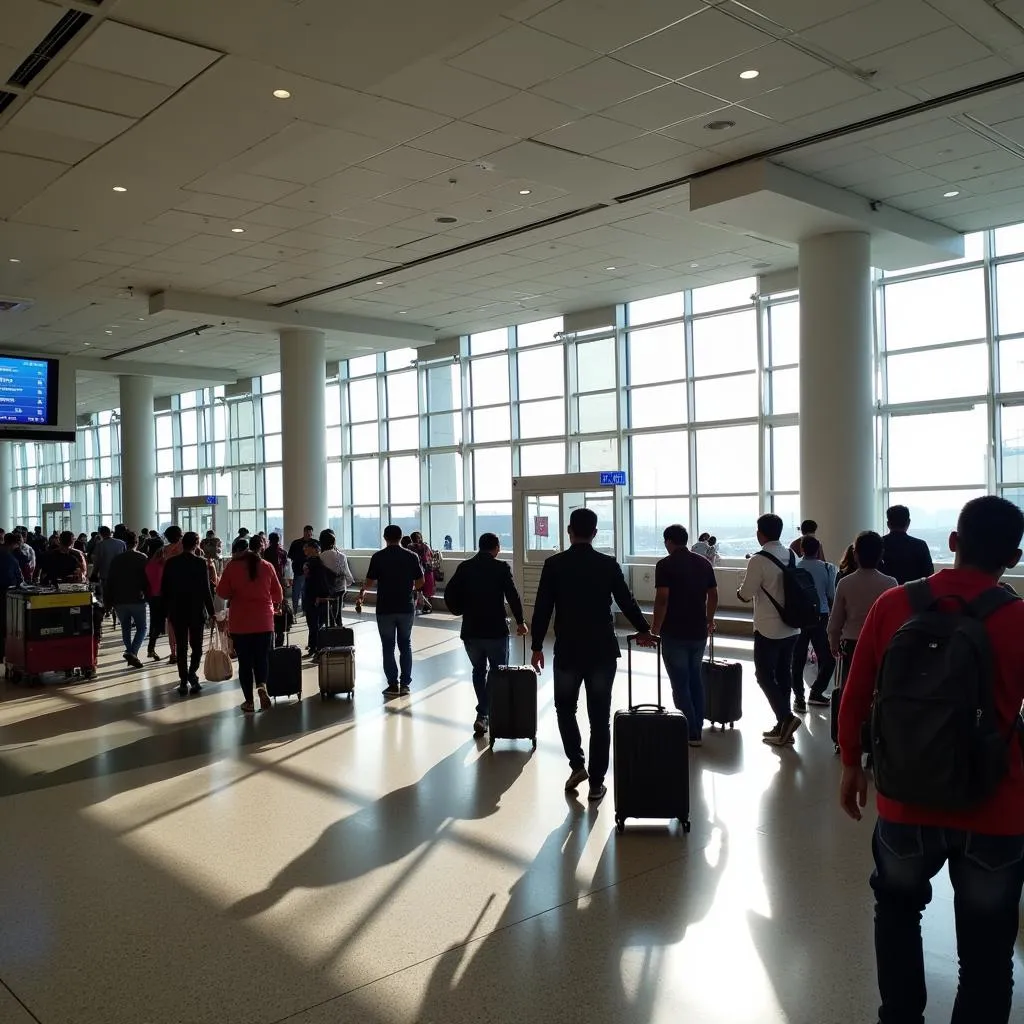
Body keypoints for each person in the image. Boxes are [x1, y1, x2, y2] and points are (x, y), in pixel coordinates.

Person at [839, 496, 1024, 1023]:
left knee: (897, 913)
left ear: (953, 543)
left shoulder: (895, 605)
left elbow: (856, 693)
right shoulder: (1018, 618)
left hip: (904, 798)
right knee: (987, 949)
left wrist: (852, 763)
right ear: (1012, 557)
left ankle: (900, 1016)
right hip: (995, 806)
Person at [531, 507, 654, 802]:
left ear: (569, 531)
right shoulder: (607, 564)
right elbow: (626, 601)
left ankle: (577, 764)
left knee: (564, 709)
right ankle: (597, 783)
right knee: (599, 719)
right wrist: (644, 629)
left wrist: (537, 646)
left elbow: (543, 607)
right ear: (595, 533)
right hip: (601, 650)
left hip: (568, 650)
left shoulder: (554, 564)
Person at [443, 532, 528, 737]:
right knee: (498, 672)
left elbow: (449, 593)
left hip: (471, 631)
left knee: (478, 671)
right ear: (496, 548)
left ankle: (483, 714)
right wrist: (520, 621)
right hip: (495, 630)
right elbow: (512, 595)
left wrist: (459, 609)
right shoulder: (501, 568)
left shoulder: (465, 567)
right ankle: (486, 712)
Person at [737, 513, 802, 747]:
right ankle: (783, 727)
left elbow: (745, 594)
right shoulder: (792, 555)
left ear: (760, 533)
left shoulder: (758, 559)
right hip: (792, 627)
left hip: (768, 628)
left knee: (764, 676)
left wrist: (739, 589)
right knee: (784, 675)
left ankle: (786, 718)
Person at [650, 524, 718, 748]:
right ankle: (697, 724)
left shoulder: (665, 565)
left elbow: (662, 599)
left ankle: (691, 731)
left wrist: (655, 629)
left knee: (680, 683)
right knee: (695, 679)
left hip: (674, 632)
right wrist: (709, 619)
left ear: (669, 541)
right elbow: (713, 594)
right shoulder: (703, 563)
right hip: (698, 631)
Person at [356, 525, 424, 697]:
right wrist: (411, 589)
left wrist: (362, 592)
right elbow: (420, 581)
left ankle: (393, 684)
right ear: (401, 537)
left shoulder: (378, 557)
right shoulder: (411, 556)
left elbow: (370, 583)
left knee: (388, 646)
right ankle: (406, 684)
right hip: (406, 607)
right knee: (405, 645)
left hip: (385, 607)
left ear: (385, 537)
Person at [218, 537, 283, 713]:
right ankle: (262, 685)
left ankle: (249, 702)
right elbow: (278, 595)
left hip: (241, 623)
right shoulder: (267, 566)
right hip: (264, 621)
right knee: (262, 658)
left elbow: (222, 592)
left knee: (245, 663)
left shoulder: (232, 567)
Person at [826, 531, 896, 689]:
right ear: (881, 554)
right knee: (876, 688)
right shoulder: (890, 583)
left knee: (851, 689)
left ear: (855, 554)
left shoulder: (845, 583)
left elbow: (836, 620)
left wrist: (833, 642)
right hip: (879, 645)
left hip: (851, 645)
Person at [161, 531, 215, 695]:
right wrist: (212, 612)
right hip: (196, 611)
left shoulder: (171, 563)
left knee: (181, 647)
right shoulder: (200, 563)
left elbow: (165, 589)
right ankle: (192, 674)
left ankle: (184, 680)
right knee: (197, 647)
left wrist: (167, 610)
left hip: (177, 611)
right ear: (197, 544)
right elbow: (206, 590)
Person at [790, 536, 837, 712]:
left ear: (802, 549)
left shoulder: (794, 568)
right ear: (818, 549)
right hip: (821, 617)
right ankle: (816, 692)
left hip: (800, 618)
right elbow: (831, 594)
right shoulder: (827, 568)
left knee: (798, 659)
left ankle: (799, 698)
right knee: (828, 658)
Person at [104, 531, 149, 668]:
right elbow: (147, 579)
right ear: (137, 542)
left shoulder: (116, 560)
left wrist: (108, 601)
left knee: (125, 627)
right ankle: (132, 652)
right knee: (142, 628)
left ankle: (130, 652)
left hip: (119, 599)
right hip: (137, 598)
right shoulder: (143, 558)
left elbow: (109, 581)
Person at [880, 504, 934, 584]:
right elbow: (929, 576)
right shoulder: (920, 545)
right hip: (913, 594)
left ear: (888, 524)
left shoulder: (878, 544)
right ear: (908, 522)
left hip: (884, 593)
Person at [318, 529, 354, 625]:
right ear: (334, 542)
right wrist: (349, 582)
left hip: (327, 589)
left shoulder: (320, 556)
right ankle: (339, 631)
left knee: (328, 614)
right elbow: (347, 573)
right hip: (340, 588)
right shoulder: (342, 556)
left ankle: (330, 631)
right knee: (338, 613)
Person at [144, 539, 170, 661]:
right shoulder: (163, 563)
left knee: (155, 622)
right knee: (166, 623)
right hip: (163, 596)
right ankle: (173, 650)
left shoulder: (148, 564)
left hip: (152, 597)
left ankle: (151, 648)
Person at [0, 534, 24, 657]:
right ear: (14, 544)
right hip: (6, 593)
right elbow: (17, 579)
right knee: (5, 622)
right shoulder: (10, 558)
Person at [92, 525, 126, 599]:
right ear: (110, 532)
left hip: (105, 574)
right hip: (119, 574)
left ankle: (107, 609)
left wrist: (94, 573)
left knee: (107, 595)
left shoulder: (100, 545)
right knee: (118, 594)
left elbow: (98, 561)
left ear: (100, 534)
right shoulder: (121, 543)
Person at [287, 525, 315, 612]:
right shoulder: (296, 543)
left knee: (306, 592)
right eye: (307, 533)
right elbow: (290, 555)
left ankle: (305, 609)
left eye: (310, 533)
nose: (309, 535)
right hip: (299, 571)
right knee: (296, 592)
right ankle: (295, 610)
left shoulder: (315, 543)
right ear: (304, 532)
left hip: (311, 572)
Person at [410, 531, 435, 614]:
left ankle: (421, 606)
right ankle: (426, 606)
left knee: (419, 589)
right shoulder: (425, 546)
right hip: (426, 569)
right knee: (426, 589)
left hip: (418, 570)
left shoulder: (410, 547)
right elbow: (431, 556)